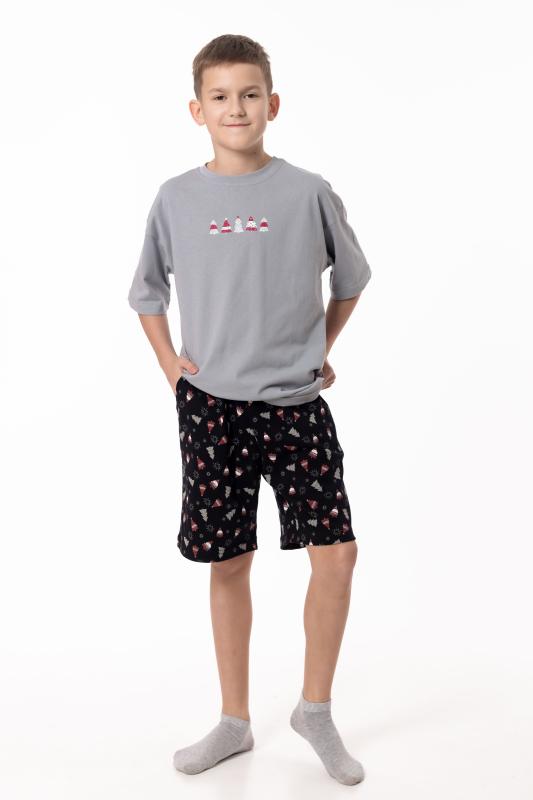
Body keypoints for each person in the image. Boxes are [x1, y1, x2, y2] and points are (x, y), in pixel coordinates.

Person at [127, 33, 372, 786]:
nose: (237, 108)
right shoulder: (176, 198)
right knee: (229, 560)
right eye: (221, 96)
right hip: (212, 409)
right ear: (197, 110)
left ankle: (315, 710)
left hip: (296, 405)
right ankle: (234, 722)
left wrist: (318, 347)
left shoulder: (307, 191)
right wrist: (171, 367)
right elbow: (146, 293)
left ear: (273, 102)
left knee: (336, 554)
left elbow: (351, 279)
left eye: (250, 94)